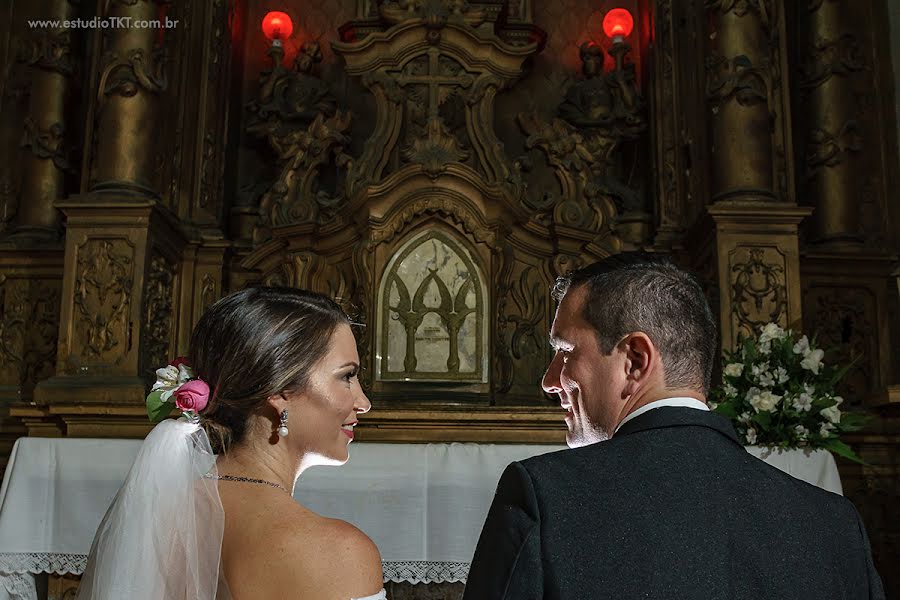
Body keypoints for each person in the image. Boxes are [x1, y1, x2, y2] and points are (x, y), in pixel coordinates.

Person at [463, 252, 885, 599]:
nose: (549, 380)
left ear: (635, 361)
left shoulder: (543, 495)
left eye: (565, 351)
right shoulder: (836, 525)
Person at [77, 287, 386, 600]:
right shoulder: (341, 554)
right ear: (279, 391)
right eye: (347, 376)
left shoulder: (152, 521)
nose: (363, 402)